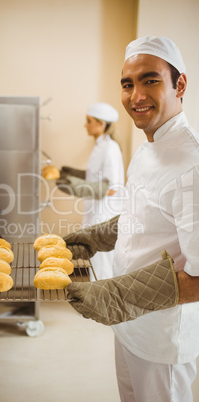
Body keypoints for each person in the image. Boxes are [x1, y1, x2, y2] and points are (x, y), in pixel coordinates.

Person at [65, 36, 199, 402]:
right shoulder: (147, 146)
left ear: (180, 84)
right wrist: (97, 235)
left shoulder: (193, 164)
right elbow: (145, 215)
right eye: (128, 84)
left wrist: (116, 294)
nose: (136, 95)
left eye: (150, 80)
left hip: (161, 338)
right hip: (128, 326)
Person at [57, 102, 124, 280]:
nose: (85, 125)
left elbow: (111, 188)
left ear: (101, 124)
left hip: (104, 213)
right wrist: (67, 173)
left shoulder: (110, 149)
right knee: (96, 263)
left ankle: (103, 304)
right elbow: (95, 177)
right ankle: (99, 300)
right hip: (94, 210)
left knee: (102, 264)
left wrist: (73, 184)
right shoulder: (100, 145)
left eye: (89, 121)